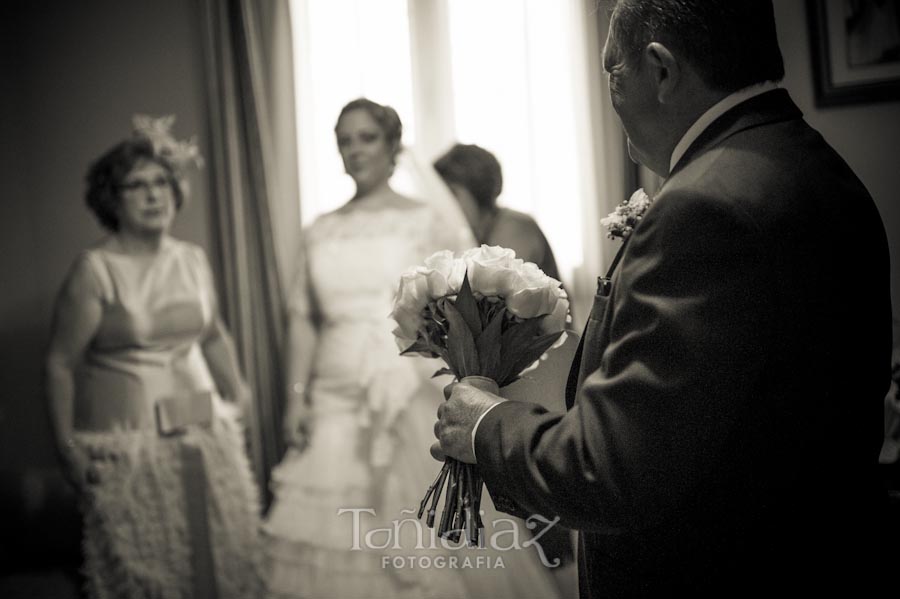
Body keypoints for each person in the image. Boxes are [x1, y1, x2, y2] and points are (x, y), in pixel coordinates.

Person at [433, 1, 893, 597]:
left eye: (611, 72)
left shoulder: (705, 206)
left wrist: (484, 423)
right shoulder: (815, 166)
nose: (610, 95)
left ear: (662, 70)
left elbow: (610, 467)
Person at [262, 98, 563, 599]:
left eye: (366, 137)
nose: (355, 150)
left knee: (421, 528)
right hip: (333, 390)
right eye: (344, 140)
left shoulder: (427, 220)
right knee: (328, 520)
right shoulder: (319, 230)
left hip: (404, 384)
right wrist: (296, 395)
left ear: (391, 145)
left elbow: (457, 305)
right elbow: (302, 320)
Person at [44, 117, 264, 598]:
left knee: (225, 558)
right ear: (112, 199)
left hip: (206, 434)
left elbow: (212, 335)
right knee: (149, 568)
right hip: (131, 444)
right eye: (137, 185)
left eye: (161, 182)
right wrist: (67, 450)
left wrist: (239, 392)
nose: (153, 195)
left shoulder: (192, 258)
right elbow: (60, 362)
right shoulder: (95, 270)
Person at [434, 143, 561, 282]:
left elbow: (498, 289)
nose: (445, 203)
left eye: (452, 193)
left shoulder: (515, 228)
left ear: (478, 191)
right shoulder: (473, 235)